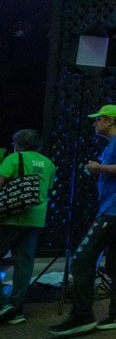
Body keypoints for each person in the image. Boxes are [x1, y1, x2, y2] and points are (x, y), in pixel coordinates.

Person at [50, 104, 116, 338]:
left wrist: (98, 167)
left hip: (115, 210)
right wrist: (99, 171)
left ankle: (82, 316)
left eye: (98, 119)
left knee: (82, 258)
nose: (94, 123)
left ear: (109, 120)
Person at [0, 129, 56, 325]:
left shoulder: (14, 159)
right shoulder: (48, 163)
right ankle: (16, 309)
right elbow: (47, 189)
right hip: (35, 218)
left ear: (17, 144)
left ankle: (3, 304)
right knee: (24, 264)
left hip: (12, 217)